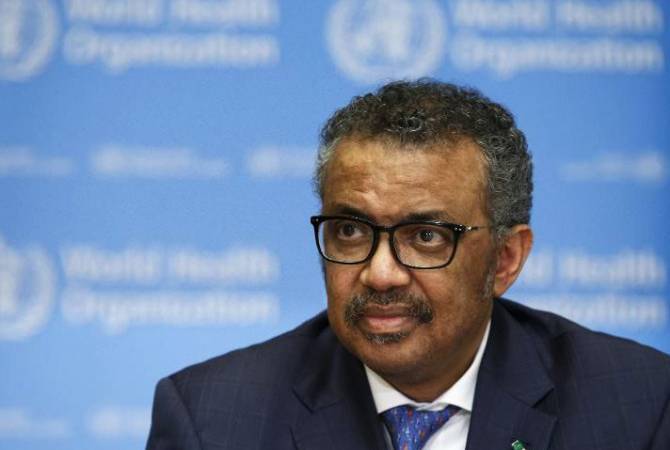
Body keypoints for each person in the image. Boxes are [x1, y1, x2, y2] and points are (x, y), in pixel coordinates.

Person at [146, 80, 670, 450]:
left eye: (426, 237)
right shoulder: (214, 421)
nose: (380, 274)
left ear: (505, 259)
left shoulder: (637, 406)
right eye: (350, 231)